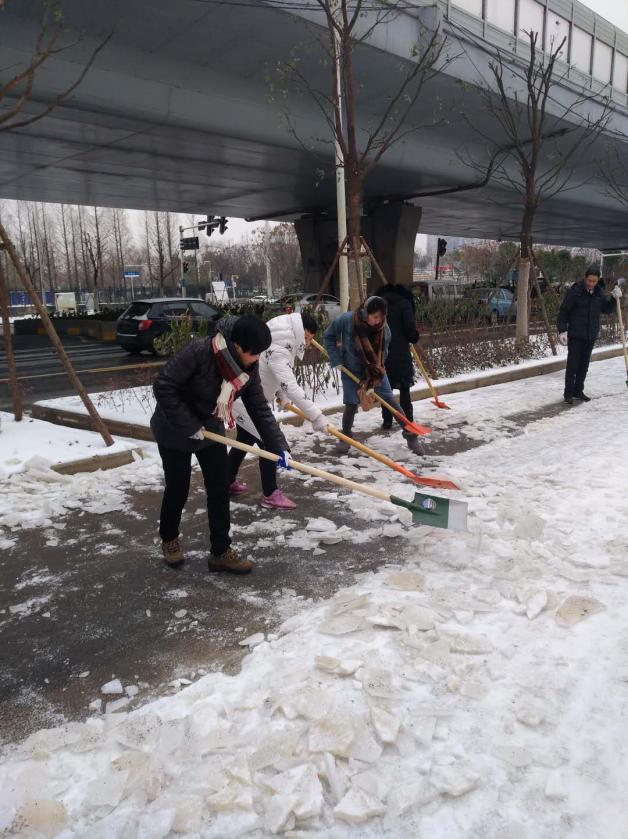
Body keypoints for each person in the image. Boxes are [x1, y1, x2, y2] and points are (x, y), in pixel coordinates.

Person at [151, 315, 290, 574]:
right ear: (237, 346)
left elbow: (259, 408)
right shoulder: (199, 351)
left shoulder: (247, 370)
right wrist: (189, 425)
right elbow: (163, 386)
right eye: (255, 353)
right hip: (174, 428)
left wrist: (278, 446)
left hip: (211, 428)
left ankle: (220, 551)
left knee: (219, 488)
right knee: (178, 488)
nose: (257, 359)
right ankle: (169, 538)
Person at [228, 311, 329, 509]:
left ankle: (226, 480)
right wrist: (316, 416)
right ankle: (270, 494)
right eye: (307, 338)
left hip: (248, 399)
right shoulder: (282, 346)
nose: (308, 344)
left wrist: (282, 396)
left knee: (245, 439)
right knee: (270, 444)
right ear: (299, 331)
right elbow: (289, 383)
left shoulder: (282, 333)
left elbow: (274, 372)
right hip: (245, 402)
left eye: (311, 339)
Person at [323, 296, 422, 454]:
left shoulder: (385, 330)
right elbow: (328, 336)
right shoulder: (347, 320)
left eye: (381, 317)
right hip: (351, 370)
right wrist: (337, 359)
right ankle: (345, 438)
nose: (378, 321)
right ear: (365, 312)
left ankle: (411, 436)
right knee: (351, 404)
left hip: (375, 371)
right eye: (375, 317)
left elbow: (384, 354)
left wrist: (373, 376)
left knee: (390, 400)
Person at [557, 266, 622, 404]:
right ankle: (568, 393)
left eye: (594, 281)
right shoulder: (575, 291)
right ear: (585, 278)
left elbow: (606, 309)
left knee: (583, 366)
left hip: (590, 334)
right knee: (573, 365)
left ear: (598, 280)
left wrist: (613, 298)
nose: (591, 283)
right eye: (589, 280)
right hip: (576, 334)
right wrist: (562, 330)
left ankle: (578, 391)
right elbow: (564, 311)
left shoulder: (599, 293)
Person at [375, 283, 420, 430]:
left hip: (381, 352)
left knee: (385, 388)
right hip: (400, 351)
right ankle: (408, 419)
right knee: (404, 387)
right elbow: (410, 328)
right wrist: (414, 337)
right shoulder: (404, 304)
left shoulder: (378, 303)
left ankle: (387, 420)